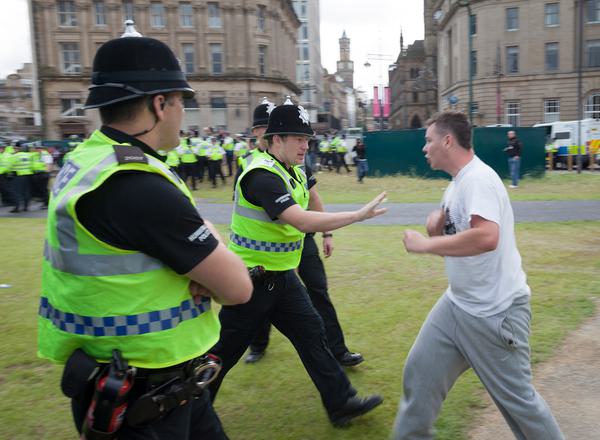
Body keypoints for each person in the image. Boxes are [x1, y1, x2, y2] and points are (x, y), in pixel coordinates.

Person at [37, 35, 253, 440]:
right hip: (143, 400)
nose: (182, 113)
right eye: (180, 101)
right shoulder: (136, 183)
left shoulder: (88, 161)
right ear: (159, 103)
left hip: (139, 382)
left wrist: (200, 254)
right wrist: (210, 254)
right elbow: (239, 288)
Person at [209, 98, 387, 427]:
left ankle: (341, 403)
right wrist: (358, 215)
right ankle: (188, 414)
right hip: (252, 281)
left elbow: (308, 207)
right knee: (223, 352)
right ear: (275, 139)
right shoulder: (261, 175)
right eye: (297, 139)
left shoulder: (291, 170)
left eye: (307, 139)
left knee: (312, 334)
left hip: (281, 277)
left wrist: (329, 233)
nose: (305, 145)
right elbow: (300, 221)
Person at [393, 111, 563, 440]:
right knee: (420, 374)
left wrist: (427, 244)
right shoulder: (457, 184)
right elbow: (457, 235)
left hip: (495, 315)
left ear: (447, 140)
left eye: (428, 141)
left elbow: (487, 238)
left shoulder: (479, 180)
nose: (424, 148)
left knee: (520, 406)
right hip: (457, 305)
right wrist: (437, 227)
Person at [242, 101, 363, 367]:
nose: (264, 133)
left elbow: (313, 199)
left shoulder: (296, 162)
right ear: (259, 133)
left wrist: (327, 234)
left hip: (301, 241)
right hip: (267, 252)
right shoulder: (254, 167)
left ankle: (338, 351)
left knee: (318, 292)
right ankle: (258, 344)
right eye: (261, 128)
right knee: (260, 303)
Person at [9, 142, 33, 213]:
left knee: (16, 192)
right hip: (28, 175)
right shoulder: (28, 155)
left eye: (15, 148)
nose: (14, 149)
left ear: (18, 148)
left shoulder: (15, 156)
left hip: (18, 175)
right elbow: (31, 165)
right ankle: (26, 207)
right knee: (26, 191)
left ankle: (17, 207)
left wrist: (10, 172)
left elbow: (10, 166)